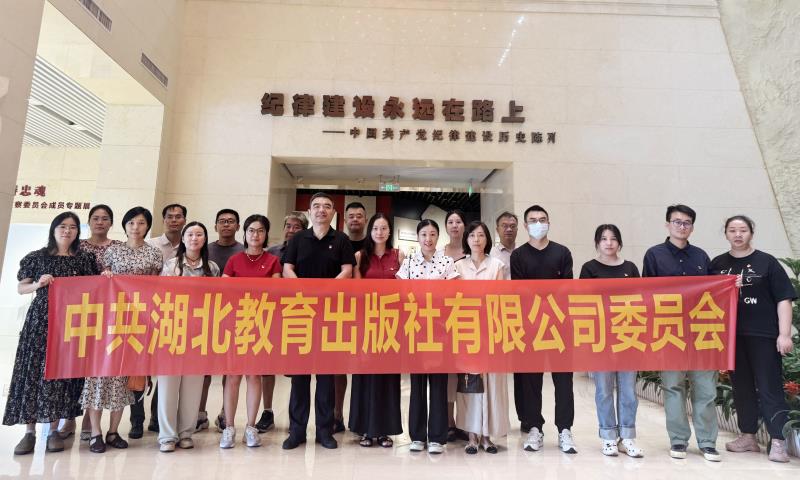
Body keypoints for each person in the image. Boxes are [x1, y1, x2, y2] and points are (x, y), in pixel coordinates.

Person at [3, 212, 98, 455]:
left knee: (60, 375)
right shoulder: (36, 257)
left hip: (70, 323)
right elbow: (21, 287)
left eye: (73, 227)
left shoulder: (84, 259)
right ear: (54, 229)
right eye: (62, 226)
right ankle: (29, 432)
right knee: (33, 372)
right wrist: (38, 284)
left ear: (78, 232)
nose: (67, 231)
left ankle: (54, 430)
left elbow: (95, 288)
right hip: (40, 321)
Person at [710, 215, 796, 463]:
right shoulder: (717, 264)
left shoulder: (766, 262)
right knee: (741, 387)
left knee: (770, 386)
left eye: (743, 230)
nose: (738, 235)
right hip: (732, 336)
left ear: (751, 233)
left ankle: (778, 440)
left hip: (764, 335)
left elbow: (784, 299)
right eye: (732, 230)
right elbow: (707, 298)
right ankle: (748, 436)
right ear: (726, 234)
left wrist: (784, 334)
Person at [642, 204, 719, 461]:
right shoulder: (654, 255)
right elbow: (647, 294)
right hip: (669, 332)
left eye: (687, 223)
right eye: (677, 222)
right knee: (673, 387)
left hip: (701, 331)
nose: (681, 226)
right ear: (667, 224)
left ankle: (707, 442)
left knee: (706, 388)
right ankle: (678, 440)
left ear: (692, 227)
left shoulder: (701, 256)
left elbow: (714, 292)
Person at [82, 206, 162, 453]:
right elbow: (98, 284)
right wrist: (106, 276)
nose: (135, 227)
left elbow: (157, 288)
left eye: (141, 223)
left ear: (147, 226)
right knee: (99, 374)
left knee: (123, 377)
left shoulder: (154, 254)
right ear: (125, 225)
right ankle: (95, 432)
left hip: (136, 323)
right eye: (131, 223)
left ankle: (113, 431)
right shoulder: (112, 250)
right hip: (109, 321)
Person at [282, 192, 355, 450]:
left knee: (326, 377)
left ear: (333, 212)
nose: (321, 210)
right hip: (300, 314)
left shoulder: (341, 239)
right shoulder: (298, 238)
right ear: (309, 212)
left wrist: (324, 291)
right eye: (316, 206)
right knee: (299, 378)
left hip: (331, 315)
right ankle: (297, 431)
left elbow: (347, 270)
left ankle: (325, 431)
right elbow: (287, 268)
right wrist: (304, 291)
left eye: (326, 206)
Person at [510, 204, 576, 454]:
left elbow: (566, 289)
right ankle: (534, 427)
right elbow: (520, 292)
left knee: (563, 380)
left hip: (559, 327)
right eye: (533, 220)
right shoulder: (518, 256)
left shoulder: (562, 252)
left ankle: (565, 429)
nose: (538, 224)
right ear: (525, 225)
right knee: (530, 381)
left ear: (549, 222)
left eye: (542, 219)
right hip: (530, 327)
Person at [579, 225, 643, 458]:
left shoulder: (630, 268)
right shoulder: (589, 268)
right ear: (597, 243)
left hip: (628, 335)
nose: (609, 243)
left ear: (619, 242)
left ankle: (627, 437)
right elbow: (583, 302)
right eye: (604, 239)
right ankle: (608, 436)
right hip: (601, 338)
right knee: (604, 390)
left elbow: (641, 299)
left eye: (613, 238)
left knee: (628, 390)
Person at [60, 205, 123, 442]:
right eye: (95, 218)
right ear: (89, 221)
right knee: (75, 368)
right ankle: (69, 419)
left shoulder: (117, 247)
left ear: (111, 222)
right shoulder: (77, 246)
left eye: (105, 218)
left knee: (94, 370)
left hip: (106, 315)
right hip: (79, 312)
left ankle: (89, 420)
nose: (100, 222)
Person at [157, 222, 220, 452]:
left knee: (193, 387)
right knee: (168, 386)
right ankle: (167, 436)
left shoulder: (212, 268)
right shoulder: (171, 265)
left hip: (199, 334)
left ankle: (185, 433)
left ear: (204, 239)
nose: (194, 238)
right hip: (172, 331)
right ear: (183, 239)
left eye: (199, 234)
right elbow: (162, 297)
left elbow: (217, 300)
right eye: (190, 234)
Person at [219, 214, 282, 449]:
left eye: (260, 231)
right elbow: (224, 290)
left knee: (254, 375)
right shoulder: (234, 260)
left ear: (266, 234)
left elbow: (275, 292)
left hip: (261, 325)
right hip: (236, 324)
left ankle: (250, 427)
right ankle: (229, 427)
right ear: (244, 233)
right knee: (233, 376)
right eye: (251, 230)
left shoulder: (273, 261)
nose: (256, 235)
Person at [397, 219, 458, 454]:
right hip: (416, 329)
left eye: (432, 234)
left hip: (440, 330)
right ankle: (417, 436)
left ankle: (437, 438)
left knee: (439, 384)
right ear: (418, 237)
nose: (428, 239)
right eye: (424, 234)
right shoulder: (409, 262)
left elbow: (453, 294)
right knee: (418, 384)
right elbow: (401, 293)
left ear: (437, 237)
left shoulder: (447, 262)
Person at [453, 221, 509, 454]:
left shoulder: (497, 265)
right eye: (472, 235)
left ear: (487, 239)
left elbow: (502, 299)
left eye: (481, 235)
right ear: (466, 239)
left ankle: (487, 436)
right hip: (466, 332)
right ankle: (472, 435)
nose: (476, 239)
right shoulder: (458, 266)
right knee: (470, 384)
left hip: (491, 330)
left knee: (492, 384)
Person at [350, 213, 404, 448]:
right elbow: (357, 292)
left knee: (387, 377)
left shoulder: (399, 256)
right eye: (375, 228)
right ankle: (365, 429)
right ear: (369, 231)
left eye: (384, 228)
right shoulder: (360, 256)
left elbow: (404, 289)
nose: (379, 232)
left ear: (389, 231)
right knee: (365, 375)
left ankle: (384, 430)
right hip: (368, 322)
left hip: (392, 324)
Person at [136, 203, 187, 435]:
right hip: (148, 312)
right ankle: (137, 419)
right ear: (163, 219)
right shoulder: (151, 245)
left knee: (166, 369)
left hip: (176, 317)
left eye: (179, 216)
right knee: (141, 367)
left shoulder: (190, 243)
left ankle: (157, 417)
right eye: (170, 216)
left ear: (184, 220)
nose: (174, 220)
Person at [199, 208, 244, 433]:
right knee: (204, 369)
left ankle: (226, 414)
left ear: (238, 226)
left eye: (231, 221)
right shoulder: (205, 250)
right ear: (215, 226)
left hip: (236, 318)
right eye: (222, 221)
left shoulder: (244, 252)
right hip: (208, 316)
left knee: (230, 368)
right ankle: (199, 413)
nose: (226, 225)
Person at [335, 202, 368, 433]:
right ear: (345, 220)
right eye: (351, 216)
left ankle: (362, 419)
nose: (355, 219)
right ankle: (337, 415)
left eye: (359, 216)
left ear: (365, 219)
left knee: (363, 369)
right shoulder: (338, 242)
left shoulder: (373, 243)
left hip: (367, 316)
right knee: (338, 368)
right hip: (340, 313)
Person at [441, 209, 467, 441]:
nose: (455, 225)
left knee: (467, 373)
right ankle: (449, 422)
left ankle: (467, 421)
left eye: (458, 221)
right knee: (449, 375)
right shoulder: (440, 254)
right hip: (446, 320)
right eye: (450, 222)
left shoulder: (473, 251)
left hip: (469, 320)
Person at [490, 211, 517, 279]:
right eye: (504, 226)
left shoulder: (524, 253)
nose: (509, 229)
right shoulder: (490, 254)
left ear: (517, 229)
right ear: (497, 230)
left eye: (513, 226)